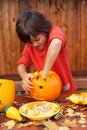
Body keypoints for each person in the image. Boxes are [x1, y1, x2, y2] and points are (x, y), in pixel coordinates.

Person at [16, 10, 77, 93]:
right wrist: (24, 75)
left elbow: (56, 42)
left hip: (65, 91)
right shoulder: (30, 46)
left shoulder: (55, 31)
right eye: (30, 42)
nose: (34, 45)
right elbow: (21, 64)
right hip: (43, 92)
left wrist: (45, 73)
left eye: (37, 39)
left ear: (43, 29)